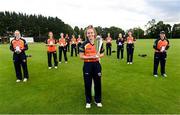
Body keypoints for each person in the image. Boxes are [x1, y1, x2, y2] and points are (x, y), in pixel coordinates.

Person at [79, 25, 104, 108]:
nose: (90, 34)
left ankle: (98, 100)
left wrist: (98, 56)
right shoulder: (84, 44)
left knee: (98, 83)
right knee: (87, 83)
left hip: (97, 65)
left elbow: (103, 53)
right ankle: (88, 101)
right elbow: (81, 56)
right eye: (88, 33)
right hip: (87, 65)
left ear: (94, 34)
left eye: (91, 33)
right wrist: (91, 57)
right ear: (86, 34)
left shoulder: (99, 43)